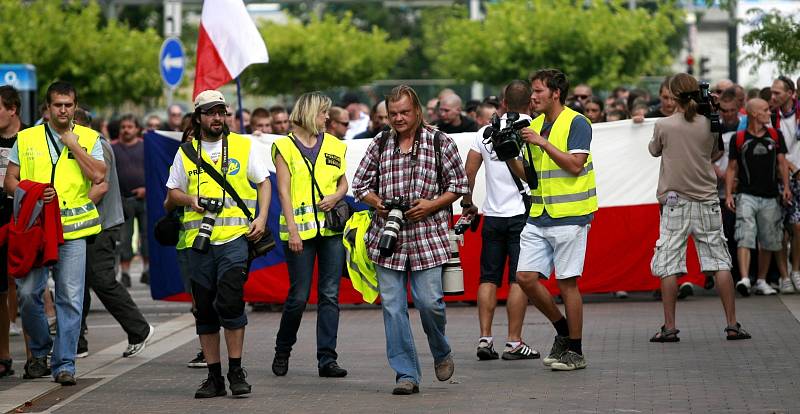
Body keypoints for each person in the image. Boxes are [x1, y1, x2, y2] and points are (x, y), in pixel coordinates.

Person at [352, 85, 468, 395]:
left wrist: (431, 205)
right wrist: (376, 202)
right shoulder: (380, 142)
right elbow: (360, 184)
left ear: (417, 110)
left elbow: (459, 184)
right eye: (393, 114)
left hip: (427, 236)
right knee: (392, 307)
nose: (399, 118)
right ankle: (406, 374)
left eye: (404, 112)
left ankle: (440, 350)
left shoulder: (440, 141)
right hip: (386, 238)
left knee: (430, 304)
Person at [166, 90, 271, 398]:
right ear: (198, 117)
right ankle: (214, 377)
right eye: (210, 112)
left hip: (235, 239)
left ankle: (236, 371)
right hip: (198, 244)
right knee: (205, 311)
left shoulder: (242, 145)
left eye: (221, 112)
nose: (217, 118)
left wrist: (262, 218)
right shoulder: (186, 153)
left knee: (230, 301)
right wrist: (191, 200)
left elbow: (263, 182)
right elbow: (170, 196)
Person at [5, 81, 106, 385]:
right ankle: (40, 352)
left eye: (69, 105)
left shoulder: (89, 138)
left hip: (72, 231)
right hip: (35, 228)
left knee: (70, 298)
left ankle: (65, 364)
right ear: (47, 108)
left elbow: (99, 175)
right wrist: (32, 191)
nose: (63, 110)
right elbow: (10, 180)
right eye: (58, 104)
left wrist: (73, 144)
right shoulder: (26, 138)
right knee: (26, 294)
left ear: (76, 107)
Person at [648, 73, 750, 342]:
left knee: (669, 262)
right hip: (706, 199)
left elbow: (654, 150)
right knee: (719, 261)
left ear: (673, 94)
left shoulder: (664, 125)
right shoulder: (709, 124)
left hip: (674, 201)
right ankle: (732, 324)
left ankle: (669, 327)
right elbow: (715, 154)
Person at [505, 69, 595, 371]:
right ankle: (563, 332)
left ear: (556, 93)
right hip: (539, 214)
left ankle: (576, 351)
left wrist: (541, 143)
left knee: (568, 284)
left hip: (571, 216)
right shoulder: (536, 125)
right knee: (525, 278)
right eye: (532, 91)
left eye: (539, 90)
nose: (533, 96)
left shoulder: (577, 122)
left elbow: (575, 165)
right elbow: (530, 177)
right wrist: (507, 155)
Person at [270, 92, 349, 379]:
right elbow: (283, 191)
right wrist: (292, 230)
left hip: (331, 230)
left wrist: (336, 196)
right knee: (299, 296)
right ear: (309, 113)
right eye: (323, 113)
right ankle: (283, 348)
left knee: (330, 295)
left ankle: (327, 359)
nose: (327, 118)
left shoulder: (335, 145)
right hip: (299, 232)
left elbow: (343, 182)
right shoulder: (284, 146)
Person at [462, 80, 538, 362]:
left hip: (493, 216)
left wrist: (468, 203)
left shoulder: (484, 132)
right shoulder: (536, 129)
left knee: (488, 278)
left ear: (503, 102)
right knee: (519, 278)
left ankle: (485, 338)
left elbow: (468, 172)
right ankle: (514, 342)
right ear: (530, 102)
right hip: (523, 215)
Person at [74, 109, 155, 359]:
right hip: (82, 223)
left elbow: (100, 184)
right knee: (78, 283)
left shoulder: (97, 145)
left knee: (101, 279)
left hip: (101, 224)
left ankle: (139, 329)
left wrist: (70, 211)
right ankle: (77, 341)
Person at [727, 98, 792, 295]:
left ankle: (761, 281)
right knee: (744, 236)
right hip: (746, 195)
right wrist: (729, 194)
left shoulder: (775, 135)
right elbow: (731, 168)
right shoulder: (738, 138)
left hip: (771, 196)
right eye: (765, 110)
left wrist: (786, 187)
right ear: (754, 114)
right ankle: (745, 279)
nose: (768, 113)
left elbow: (782, 163)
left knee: (768, 239)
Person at [0, 85, 24, 377]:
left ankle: (36, 356)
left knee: (28, 289)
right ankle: (4, 355)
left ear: (12, 109)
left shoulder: (30, 138)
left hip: (22, 220)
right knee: (0, 291)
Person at [770, 76, 800, 292]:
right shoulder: (770, 117)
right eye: (772, 93)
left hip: (798, 179)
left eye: (777, 93)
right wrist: (791, 168)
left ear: (791, 93)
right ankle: (784, 276)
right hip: (780, 179)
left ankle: (796, 270)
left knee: (797, 227)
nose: (773, 97)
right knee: (779, 230)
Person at [113, 114, 149, 287]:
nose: (126, 130)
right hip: (123, 200)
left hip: (144, 199)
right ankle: (125, 274)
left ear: (137, 129)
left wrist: (146, 189)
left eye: (130, 126)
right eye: (123, 127)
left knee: (147, 237)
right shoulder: (112, 148)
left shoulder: (146, 147)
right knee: (125, 239)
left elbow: (155, 171)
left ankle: (147, 271)